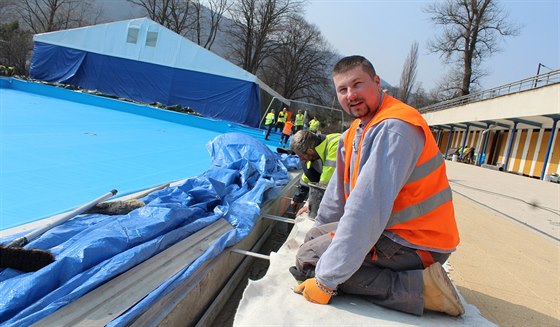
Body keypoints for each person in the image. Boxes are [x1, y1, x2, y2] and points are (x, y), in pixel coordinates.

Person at [292, 55, 464, 317]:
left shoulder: (394, 128)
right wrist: (319, 232)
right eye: (342, 89)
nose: (351, 95)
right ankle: (351, 266)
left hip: (418, 243)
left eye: (357, 84)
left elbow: (366, 211)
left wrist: (326, 281)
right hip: (393, 232)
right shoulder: (353, 133)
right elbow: (336, 199)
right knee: (312, 243)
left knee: (311, 263)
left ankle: (422, 289)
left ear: (376, 82)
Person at [289, 130, 341, 216]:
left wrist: (311, 207)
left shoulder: (336, 144)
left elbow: (325, 183)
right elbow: (307, 176)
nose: (300, 158)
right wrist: (297, 198)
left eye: (300, 155)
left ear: (310, 151)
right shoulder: (315, 153)